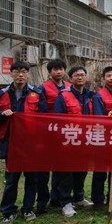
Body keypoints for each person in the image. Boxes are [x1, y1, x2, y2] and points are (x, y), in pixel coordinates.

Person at [0, 61, 48, 224]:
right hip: (11, 144)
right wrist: (1, 114)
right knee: (11, 179)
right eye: (16, 72)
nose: (20, 75)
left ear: (28, 74)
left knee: (32, 179)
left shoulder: (37, 93)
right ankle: (8, 211)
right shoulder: (1, 95)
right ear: (11, 74)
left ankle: (28, 208)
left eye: (23, 72)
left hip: (31, 144)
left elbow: (44, 117)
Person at [54, 66, 95, 217]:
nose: (80, 77)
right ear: (70, 79)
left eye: (82, 75)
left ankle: (79, 197)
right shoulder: (63, 96)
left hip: (85, 140)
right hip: (69, 140)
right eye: (76, 75)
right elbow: (58, 120)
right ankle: (66, 202)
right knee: (67, 172)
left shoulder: (90, 95)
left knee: (82, 170)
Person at [37, 58, 70, 213]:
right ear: (50, 72)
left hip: (67, 131)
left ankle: (57, 197)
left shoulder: (69, 86)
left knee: (61, 165)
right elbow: (42, 110)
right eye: (55, 69)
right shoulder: (42, 88)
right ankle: (42, 201)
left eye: (61, 69)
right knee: (44, 168)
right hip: (49, 131)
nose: (58, 72)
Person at [91, 66, 112, 211]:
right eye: (108, 76)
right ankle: (97, 200)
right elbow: (99, 119)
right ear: (104, 78)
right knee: (101, 170)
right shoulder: (99, 96)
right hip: (103, 137)